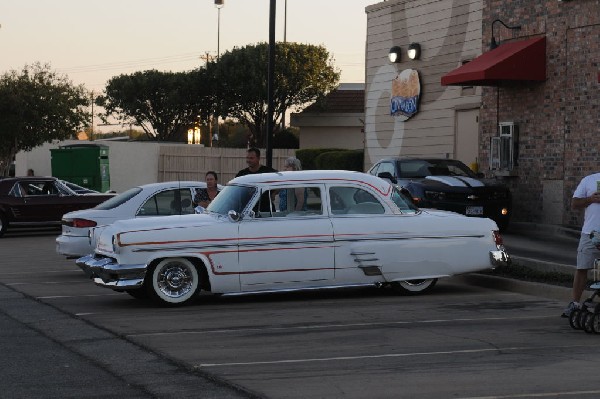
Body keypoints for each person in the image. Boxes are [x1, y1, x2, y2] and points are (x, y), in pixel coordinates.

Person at [562, 172, 600, 317]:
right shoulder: (589, 180)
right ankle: (575, 303)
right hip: (591, 233)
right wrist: (590, 199)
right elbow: (575, 203)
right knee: (582, 267)